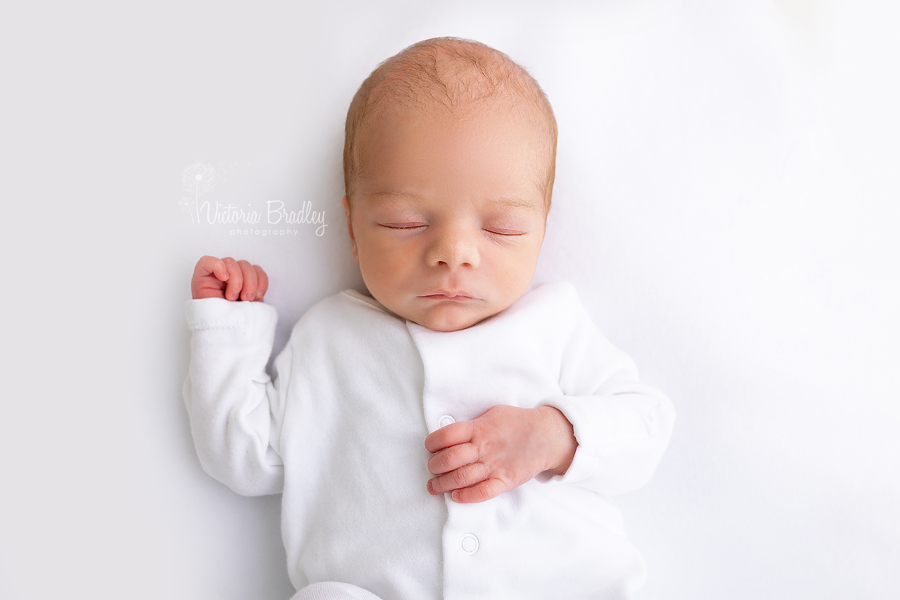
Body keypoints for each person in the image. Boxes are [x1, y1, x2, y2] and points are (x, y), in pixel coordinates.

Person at [183, 37, 675, 600]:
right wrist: (226, 333)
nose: (454, 253)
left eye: (501, 228)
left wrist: (555, 436)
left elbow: (647, 426)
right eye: (404, 222)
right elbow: (245, 458)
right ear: (353, 226)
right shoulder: (328, 340)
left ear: (541, 227)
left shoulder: (554, 325)